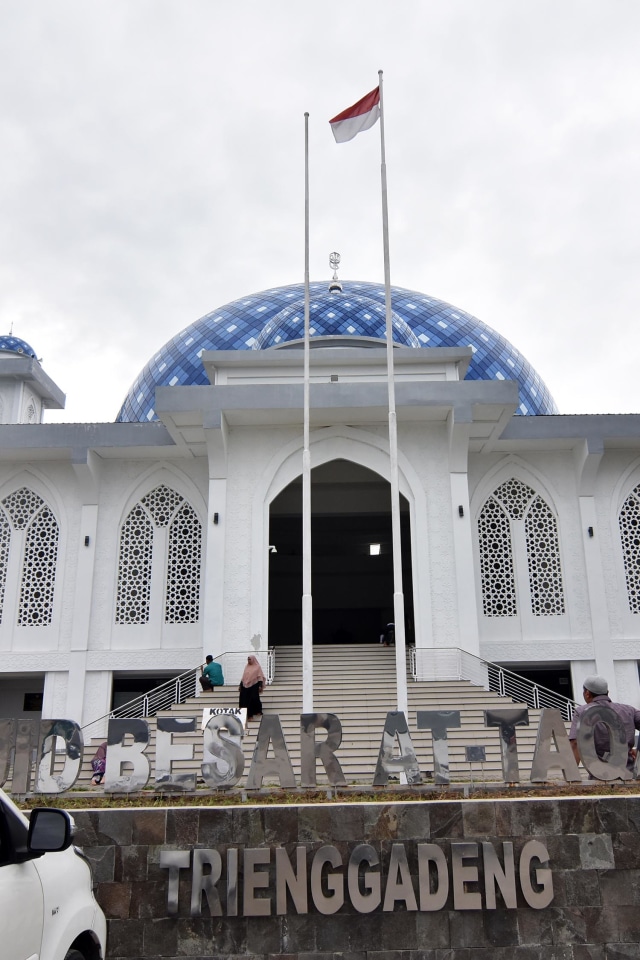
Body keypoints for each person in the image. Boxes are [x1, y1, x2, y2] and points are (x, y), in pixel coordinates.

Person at [569, 675, 640, 772]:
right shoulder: (629, 710)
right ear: (607, 693)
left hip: (599, 775)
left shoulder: (581, 712)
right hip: (628, 774)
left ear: (587, 693)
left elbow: (575, 742)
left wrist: (571, 774)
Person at [239, 655, 266, 720]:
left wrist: (260, 685)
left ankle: (258, 711)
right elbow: (244, 676)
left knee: (254, 698)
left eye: (250, 659)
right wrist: (240, 685)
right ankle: (248, 714)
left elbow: (260, 676)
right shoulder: (247, 666)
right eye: (248, 659)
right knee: (245, 699)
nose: (249, 661)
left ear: (253, 659)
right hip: (245, 685)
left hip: (255, 685)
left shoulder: (257, 667)